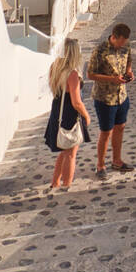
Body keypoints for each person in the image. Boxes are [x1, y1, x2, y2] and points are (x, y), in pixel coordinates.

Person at [86, 24, 135, 178]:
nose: (123, 45)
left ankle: (117, 161)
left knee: (120, 127)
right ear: (113, 37)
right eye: (120, 42)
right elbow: (91, 74)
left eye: (125, 42)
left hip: (122, 96)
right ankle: (100, 165)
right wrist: (113, 79)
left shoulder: (126, 48)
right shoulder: (100, 50)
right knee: (106, 132)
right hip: (105, 98)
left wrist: (129, 74)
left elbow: (129, 64)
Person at [44, 38, 91, 189]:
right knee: (71, 154)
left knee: (63, 152)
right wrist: (86, 116)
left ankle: (55, 182)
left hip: (57, 111)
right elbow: (76, 101)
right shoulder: (73, 74)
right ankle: (67, 185)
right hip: (70, 115)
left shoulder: (55, 67)